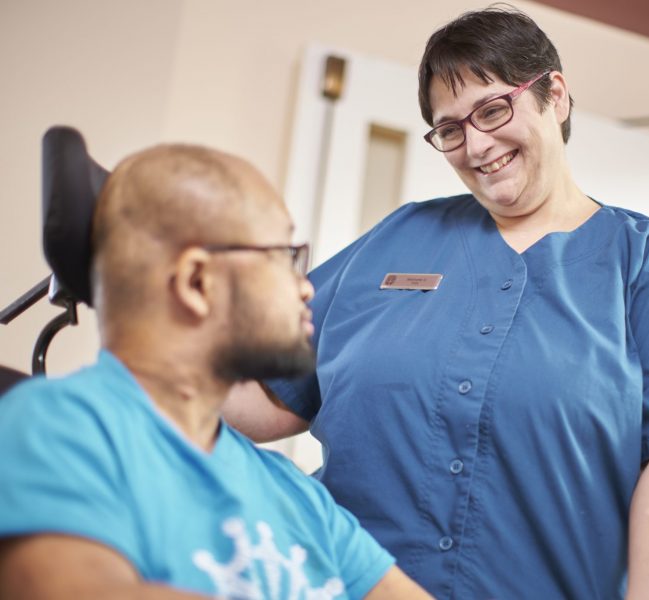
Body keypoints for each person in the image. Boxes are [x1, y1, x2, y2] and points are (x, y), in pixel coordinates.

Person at [223, 6, 649, 599]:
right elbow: (273, 400)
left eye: (492, 109)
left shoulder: (645, 260)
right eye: (450, 129)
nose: (475, 146)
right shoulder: (399, 237)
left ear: (554, 94)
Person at [0, 144, 432, 599]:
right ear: (196, 282)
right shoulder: (54, 428)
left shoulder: (296, 496)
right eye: (284, 257)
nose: (306, 288)